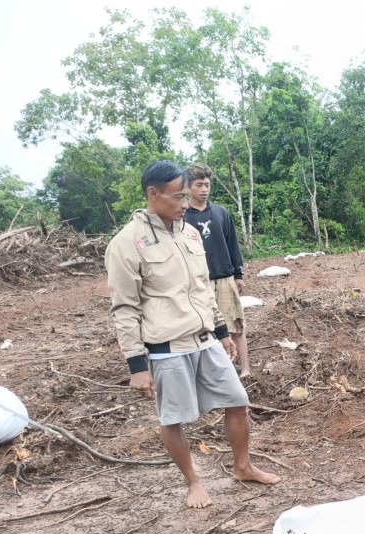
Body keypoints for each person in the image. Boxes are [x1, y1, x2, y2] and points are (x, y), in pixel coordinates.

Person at [105, 161, 280, 508]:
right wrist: (137, 366)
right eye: (178, 196)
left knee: (237, 401)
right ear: (153, 194)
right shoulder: (128, 244)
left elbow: (202, 289)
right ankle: (194, 482)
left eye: (187, 195)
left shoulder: (189, 233)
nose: (186, 203)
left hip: (204, 340)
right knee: (173, 418)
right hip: (165, 348)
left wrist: (221, 332)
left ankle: (243, 466)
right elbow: (125, 309)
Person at [184, 164, 251, 377]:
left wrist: (238, 274)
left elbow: (233, 244)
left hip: (224, 277)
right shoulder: (183, 216)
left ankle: (246, 368)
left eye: (207, 185)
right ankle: (216, 372)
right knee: (205, 328)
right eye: (199, 185)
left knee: (235, 324)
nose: (204, 189)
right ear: (188, 187)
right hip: (197, 282)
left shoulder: (221, 212)